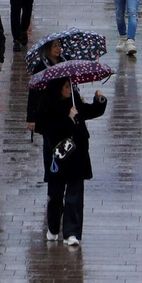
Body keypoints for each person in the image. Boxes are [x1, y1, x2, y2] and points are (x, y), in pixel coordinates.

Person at [33, 75, 108, 247]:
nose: (69, 89)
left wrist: (100, 101)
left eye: (70, 86)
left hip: (77, 155)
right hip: (59, 157)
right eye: (66, 86)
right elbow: (49, 129)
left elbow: (90, 111)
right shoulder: (47, 105)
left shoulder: (74, 100)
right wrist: (69, 119)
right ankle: (53, 227)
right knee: (56, 194)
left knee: (75, 194)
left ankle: (71, 233)